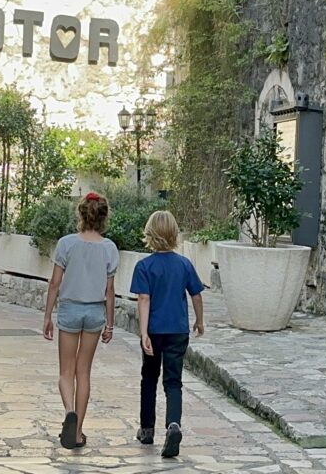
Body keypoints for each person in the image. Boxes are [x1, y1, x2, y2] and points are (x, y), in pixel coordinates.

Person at [42, 192, 118, 450]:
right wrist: (110, 324)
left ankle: (68, 412)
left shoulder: (66, 244)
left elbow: (55, 283)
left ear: (81, 214)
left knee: (66, 371)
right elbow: (110, 291)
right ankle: (78, 433)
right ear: (104, 217)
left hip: (70, 310)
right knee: (83, 372)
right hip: (95, 312)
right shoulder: (109, 248)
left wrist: (47, 316)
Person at [131, 210, 205, 458]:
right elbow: (196, 294)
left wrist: (143, 334)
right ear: (174, 233)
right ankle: (173, 424)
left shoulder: (144, 266)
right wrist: (200, 320)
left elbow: (143, 298)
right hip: (177, 331)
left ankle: (147, 429)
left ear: (150, 234)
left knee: (149, 378)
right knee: (173, 381)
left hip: (153, 331)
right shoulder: (184, 264)